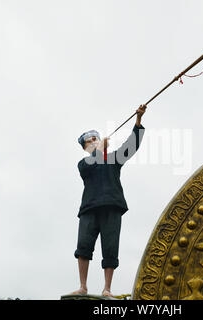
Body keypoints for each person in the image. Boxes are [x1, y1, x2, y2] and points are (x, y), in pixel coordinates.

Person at [72, 104, 146, 297]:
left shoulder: (114, 158)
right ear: (85, 147)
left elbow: (132, 146)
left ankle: (107, 288)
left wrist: (138, 121)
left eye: (95, 138)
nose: (93, 141)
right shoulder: (84, 163)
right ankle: (83, 286)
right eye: (89, 141)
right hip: (89, 208)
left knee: (111, 248)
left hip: (112, 206)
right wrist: (99, 150)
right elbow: (89, 165)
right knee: (83, 246)